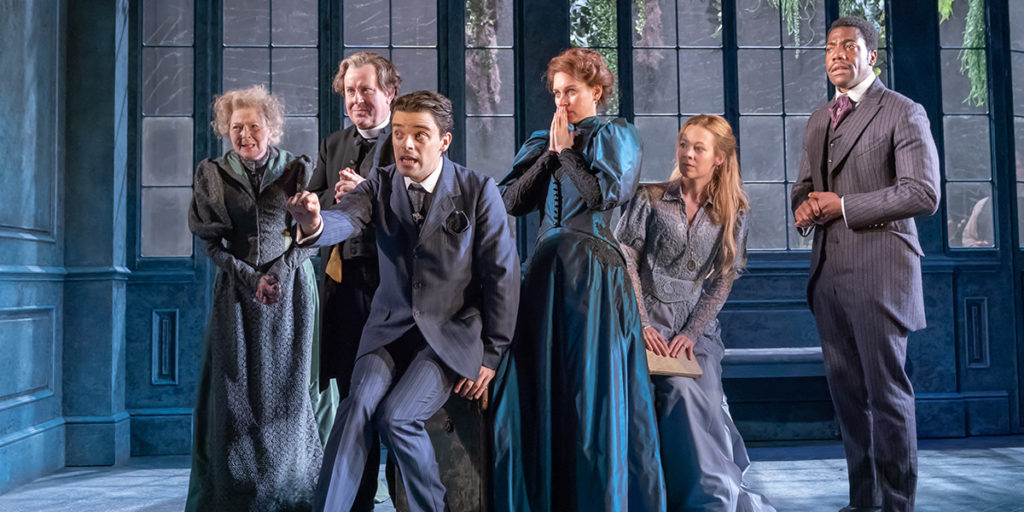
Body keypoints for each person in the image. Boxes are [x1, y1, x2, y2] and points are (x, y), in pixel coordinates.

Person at [286, 90, 520, 512]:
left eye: (419, 135)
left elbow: (502, 275)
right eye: (397, 134)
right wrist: (315, 223)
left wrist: (492, 353)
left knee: (397, 416)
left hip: (448, 335)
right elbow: (345, 217)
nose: (406, 144)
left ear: (444, 141)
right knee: (356, 406)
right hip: (389, 330)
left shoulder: (477, 190)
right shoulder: (379, 183)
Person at [491, 47, 666, 512]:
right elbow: (509, 202)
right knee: (542, 389)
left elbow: (602, 196)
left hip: (594, 277)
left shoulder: (616, 135)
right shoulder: (544, 140)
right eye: (556, 93)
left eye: (571, 91)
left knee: (591, 394)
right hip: (544, 277)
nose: (562, 101)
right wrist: (550, 155)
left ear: (597, 91)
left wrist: (567, 154)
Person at [791, 16, 940, 512]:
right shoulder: (819, 119)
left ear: (871, 56)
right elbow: (804, 188)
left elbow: (923, 193)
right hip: (828, 275)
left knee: (887, 396)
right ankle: (864, 503)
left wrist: (844, 206)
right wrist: (804, 207)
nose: (837, 54)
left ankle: (897, 505)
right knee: (849, 400)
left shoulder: (902, 111)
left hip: (881, 273)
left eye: (848, 46)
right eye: (830, 47)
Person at [616, 115, 775, 512]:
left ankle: (716, 495)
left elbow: (722, 282)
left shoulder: (735, 212)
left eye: (698, 148)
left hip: (696, 330)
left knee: (705, 398)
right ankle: (699, 499)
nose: (687, 153)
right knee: (680, 391)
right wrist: (642, 322)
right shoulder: (650, 197)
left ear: (719, 158)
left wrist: (690, 333)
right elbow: (625, 259)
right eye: (684, 144)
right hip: (642, 320)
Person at [185, 84, 322, 511]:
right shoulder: (212, 174)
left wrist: (277, 273)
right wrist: (251, 277)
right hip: (237, 295)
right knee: (236, 394)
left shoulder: (297, 169)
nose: (245, 135)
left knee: (290, 391)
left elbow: (313, 238)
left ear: (272, 128)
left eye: (254, 126)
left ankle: (291, 494)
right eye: (236, 127)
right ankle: (238, 497)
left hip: (291, 290)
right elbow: (212, 245)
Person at [306, 51, 401, 510]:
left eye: (367, 89)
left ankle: (406, 500)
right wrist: (336, 196)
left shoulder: (410, 137)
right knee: (351, 402)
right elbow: (312, 200)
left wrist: (366, 191)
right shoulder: (333, 143)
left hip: (396, 290)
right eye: (350, 91)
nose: (357, 99)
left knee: (399, 407)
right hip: (343, 290)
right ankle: (358, 503)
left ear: (390, 93)